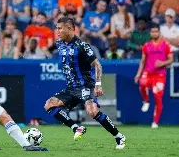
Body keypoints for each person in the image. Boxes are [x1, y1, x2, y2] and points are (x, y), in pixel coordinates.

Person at [44, 17, 126, 149]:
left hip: (85, 86)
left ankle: (119, 137)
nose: (57, 31)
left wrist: (98, 84)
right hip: (71, 88)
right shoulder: (59, 44)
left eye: (60, 28)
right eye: (56, 28)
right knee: (49, 105)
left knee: (92, 111)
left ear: (69, 28)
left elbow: (97, 65)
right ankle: (76, 128)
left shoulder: (82, 46)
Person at [134, 25, 174, 129]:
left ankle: (155, 122)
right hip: (148, 72)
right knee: (142, 83)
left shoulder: (166, 45)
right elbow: (143, 61)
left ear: (159, 32)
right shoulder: (146, 45)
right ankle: (146, 100)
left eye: (156, 31)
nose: (155, 33)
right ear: (150, 33)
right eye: (153, 31)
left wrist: (162, 63)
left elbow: (171, 59)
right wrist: (138, 74)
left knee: (157, 96)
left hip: (160, 75)